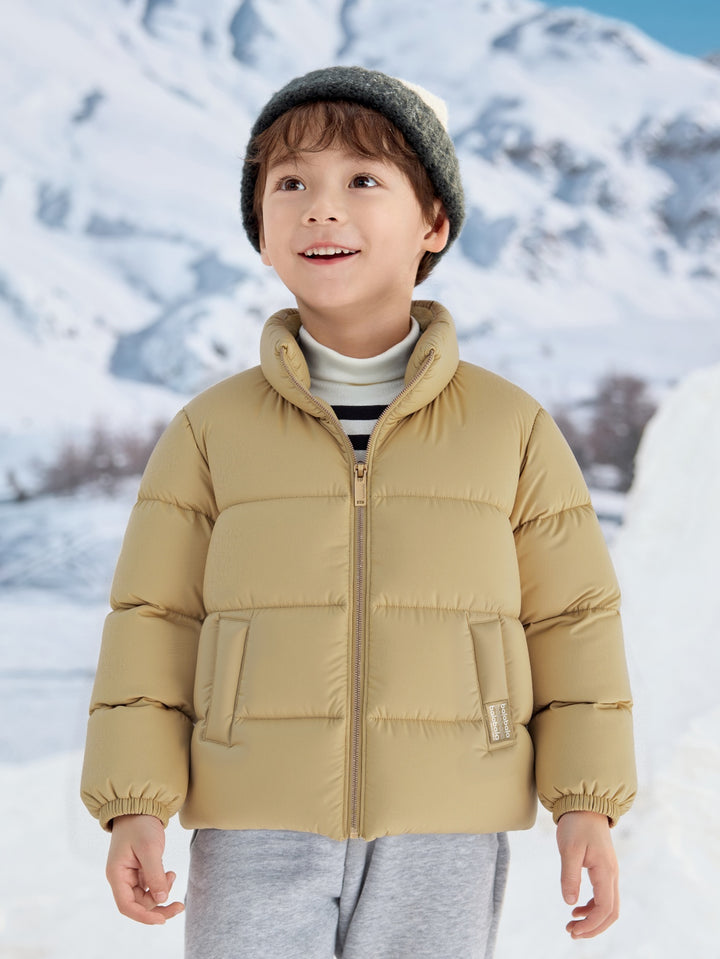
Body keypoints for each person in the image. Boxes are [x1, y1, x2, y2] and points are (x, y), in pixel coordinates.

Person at [80, 65, 636, 958]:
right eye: (290, 184)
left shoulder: (511, 427)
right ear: (260, 230)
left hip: (445, 823)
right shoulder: (211, 429)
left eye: (363, 179)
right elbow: (154, 618)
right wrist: (134, 800)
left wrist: (587, 800)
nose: (321, 209)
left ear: (434, 223)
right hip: (254, 814)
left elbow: (573, 620)